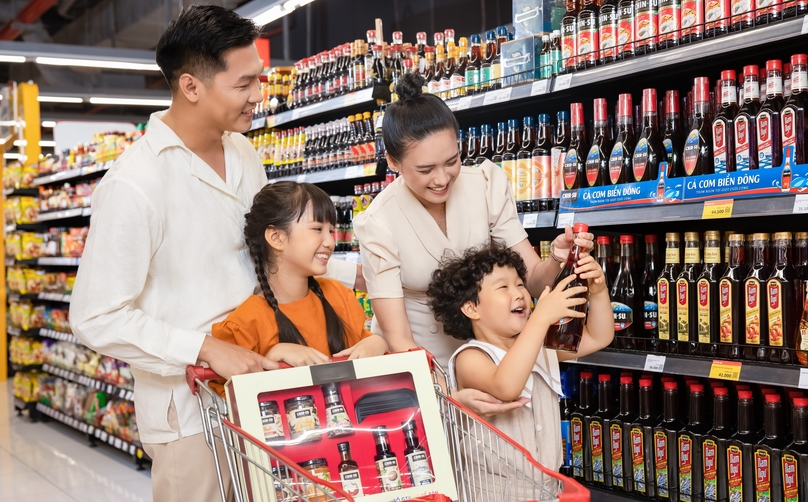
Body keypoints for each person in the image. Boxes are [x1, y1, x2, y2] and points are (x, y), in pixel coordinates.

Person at [68, 6, 359, 502]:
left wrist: (355, 274)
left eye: (258, 81)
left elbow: (270, 251)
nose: (258, 96)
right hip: (190, 408)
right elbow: (94, 317)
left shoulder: (243, 152)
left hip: (262, 384)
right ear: (192, 87)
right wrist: (204, 348)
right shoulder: (136, 184)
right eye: (243, 85)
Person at [353, 72, 598, 416]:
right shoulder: (378, 222)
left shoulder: (484, 184)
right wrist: (447, 395)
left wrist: (556, 259)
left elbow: (532, 279)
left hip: (494, 357)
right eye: (425, 170)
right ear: (393, 162)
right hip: (425, 368)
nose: (442, 179)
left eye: (451, 161)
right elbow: (398, 339)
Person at [427, 243, 613, 481]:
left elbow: (599, 336)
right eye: (503, 286)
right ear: (472, 308)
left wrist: (598, 292)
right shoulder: (471, 357)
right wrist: (542, 317)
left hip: (547, 488)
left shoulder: (538, 346)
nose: (519, 293)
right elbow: (506, 387)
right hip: (494, 493)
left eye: (520, 284)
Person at [211, 182, 387, 373]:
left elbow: (363, 346)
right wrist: (273, 357)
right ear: (276, 237)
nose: (330, 242)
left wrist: (378, 342)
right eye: (317, 229)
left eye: (331, 230)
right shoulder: (244, 325)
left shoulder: (339, 297)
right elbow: (235, 397)